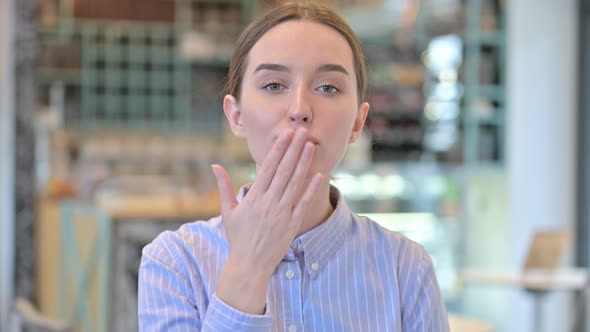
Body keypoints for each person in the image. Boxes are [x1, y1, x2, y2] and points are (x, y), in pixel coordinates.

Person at [138, 2, 449, 331]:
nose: (300, 109)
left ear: (358, 122)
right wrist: (248, 268)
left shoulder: (407, 270)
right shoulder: (174, 263)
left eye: (328, 87)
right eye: (273, 85)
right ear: (236, 116)